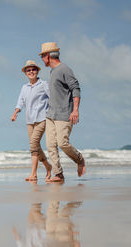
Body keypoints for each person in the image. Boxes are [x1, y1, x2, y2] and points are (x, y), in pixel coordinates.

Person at [39, 42, 86, 182]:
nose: (42, 59)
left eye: (42, 56)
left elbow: (75, 89)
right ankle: (58, 174)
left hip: (64, 114)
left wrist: (75, 110)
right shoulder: (52, 71)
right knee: (50, 146)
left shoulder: (64, 69)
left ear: (48, 56)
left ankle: (79, 159)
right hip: (51, 115)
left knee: (62, 143)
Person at [11, 60, 52, 182]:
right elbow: (21, 101)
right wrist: (15, 113)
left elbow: (53, 98)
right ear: (25, 73)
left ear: (37, 71)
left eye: (33, 69)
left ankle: (33, 174)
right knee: (36, 147)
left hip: (42, 118)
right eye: (28, 70)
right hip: (29, 120)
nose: (31, 72)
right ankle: (48, 167)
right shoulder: (24, 87)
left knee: (33, 145)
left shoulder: (43, 84)